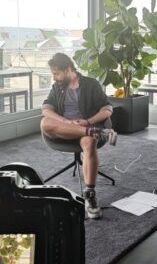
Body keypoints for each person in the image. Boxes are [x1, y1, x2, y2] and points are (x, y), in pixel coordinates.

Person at [41, 52, 117, 220]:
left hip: (85, 127)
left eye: (56, 73)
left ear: (68, 69)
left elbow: (107, 109)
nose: (54, 78)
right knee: (44, 123)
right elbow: (46, 109)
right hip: (64, 130)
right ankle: (96, 133)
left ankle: (90, 195)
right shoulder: (57, 87)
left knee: (89, 143)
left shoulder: (90, 84)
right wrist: (65, 122)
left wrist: (88, 122)